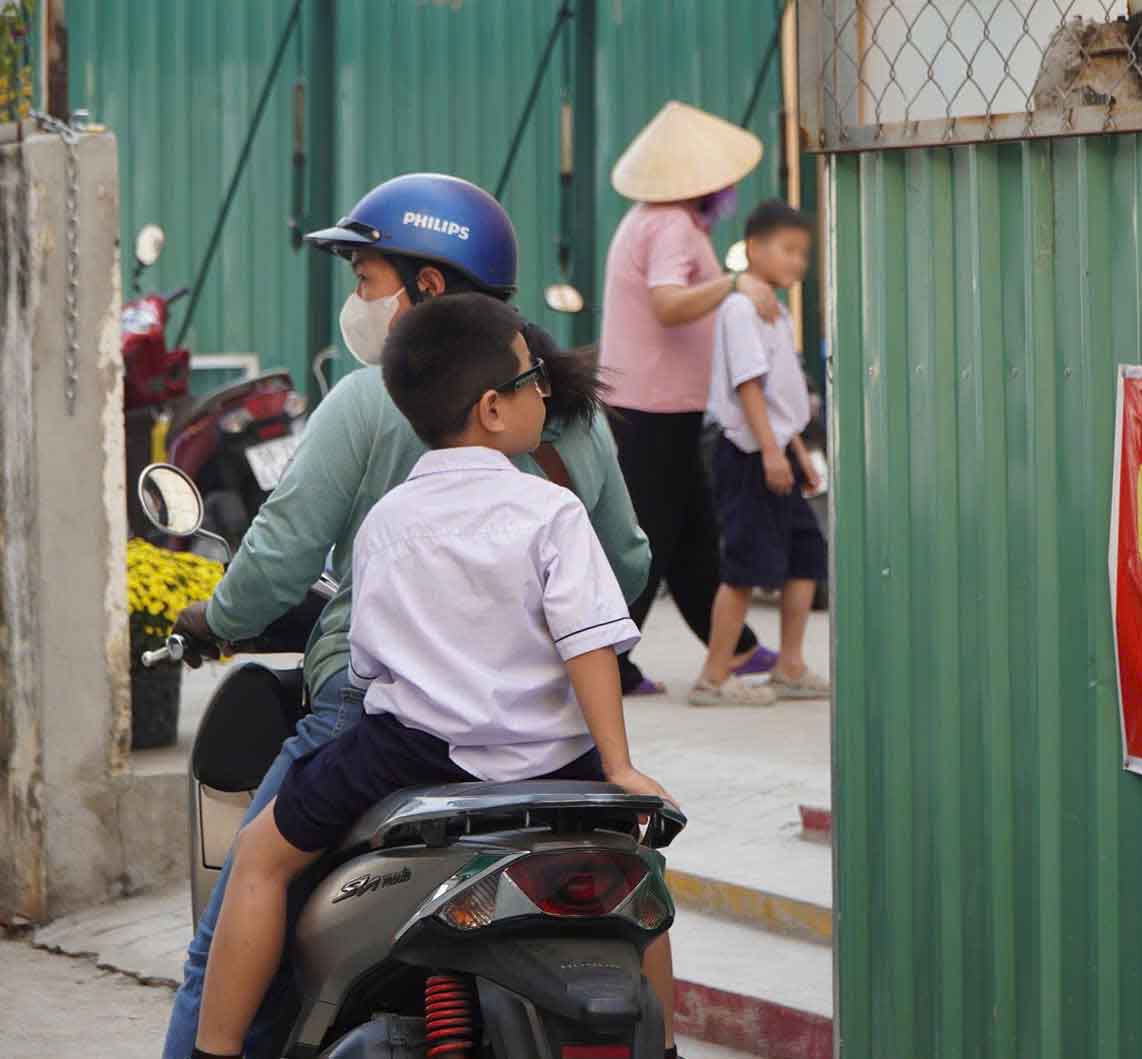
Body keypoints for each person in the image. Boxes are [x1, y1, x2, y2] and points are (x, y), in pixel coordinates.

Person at [161, 174, 662, 1059]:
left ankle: (209, 1050)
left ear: (425, 286)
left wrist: (218, 614)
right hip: (556, 735)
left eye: (366, 279)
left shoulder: (369, 403)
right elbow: (626, 568)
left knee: (256, 874)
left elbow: (290, 569)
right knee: (639, 883)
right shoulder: (565, 412)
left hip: (401, 733)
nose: (360, 302)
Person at [599, 101, 780, 701]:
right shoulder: (671, 224)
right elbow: (667, 304)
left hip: (659, 404)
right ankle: (609, 660)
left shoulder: (657, 220)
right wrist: (733, 283)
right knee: (650, 537)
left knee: (690, 535)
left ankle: (738, 647)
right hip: (651, 406)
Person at [694, 200, 830, 705]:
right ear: (753, 249)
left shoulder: (775, 309)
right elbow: (748, 385)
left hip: (777, 451)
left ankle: (790, 667)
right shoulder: (739, 309)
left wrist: (797, 455)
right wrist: (772, 454)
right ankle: (713, 677)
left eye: (804, 253)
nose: (799, 262)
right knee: (744, 568)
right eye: (788, 250)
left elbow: (781, 397)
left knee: (807, 555)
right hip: (747, 452)